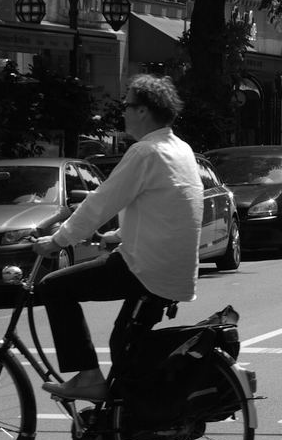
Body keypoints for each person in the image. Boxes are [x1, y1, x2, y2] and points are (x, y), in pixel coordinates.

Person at [33, 74, 204, 401]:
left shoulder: (145, 152)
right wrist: (116, 236)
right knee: (124, 347)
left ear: (143, 111)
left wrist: (58, 240)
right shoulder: (180, 149)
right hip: (175, 272)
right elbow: (162, 211)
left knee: (54, 288)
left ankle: (88, 378)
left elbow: (102, 201)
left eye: (127, 105)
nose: (122, 111)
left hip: (146, 270)